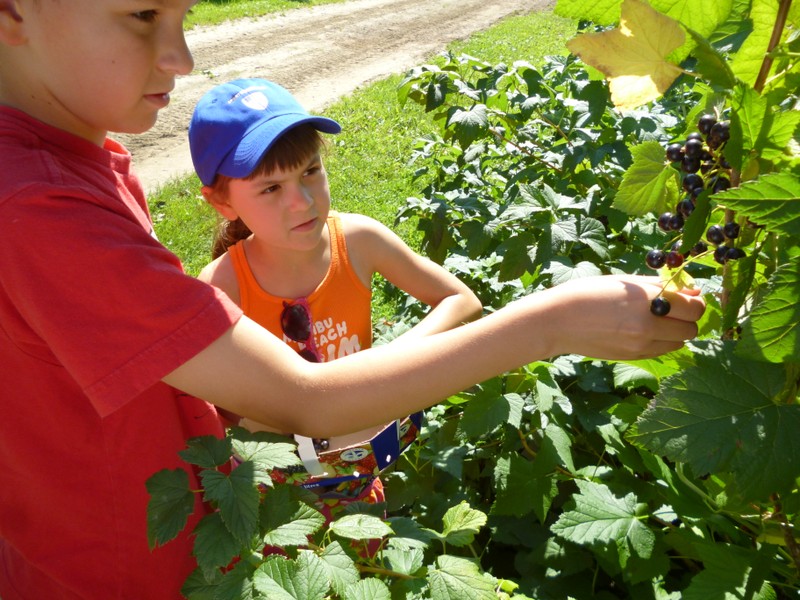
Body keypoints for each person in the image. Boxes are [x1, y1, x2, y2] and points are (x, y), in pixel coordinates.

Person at [0, 0, 705, 597]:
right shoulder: (39, 207)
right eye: (142, 14)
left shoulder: (76, 157)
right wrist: (554, 321)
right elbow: (305, 399)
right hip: (117, 574)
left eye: (184, 15)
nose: (181, 57)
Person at [189, 78, 484, 519]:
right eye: (271, 189)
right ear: (222, 202)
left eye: (310, 171)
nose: (302, 201)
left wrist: (385, 366)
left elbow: (461, 300)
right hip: (277, 500)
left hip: (362, 476)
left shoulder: (360, 241)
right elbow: (215, 410)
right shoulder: (222, 287)